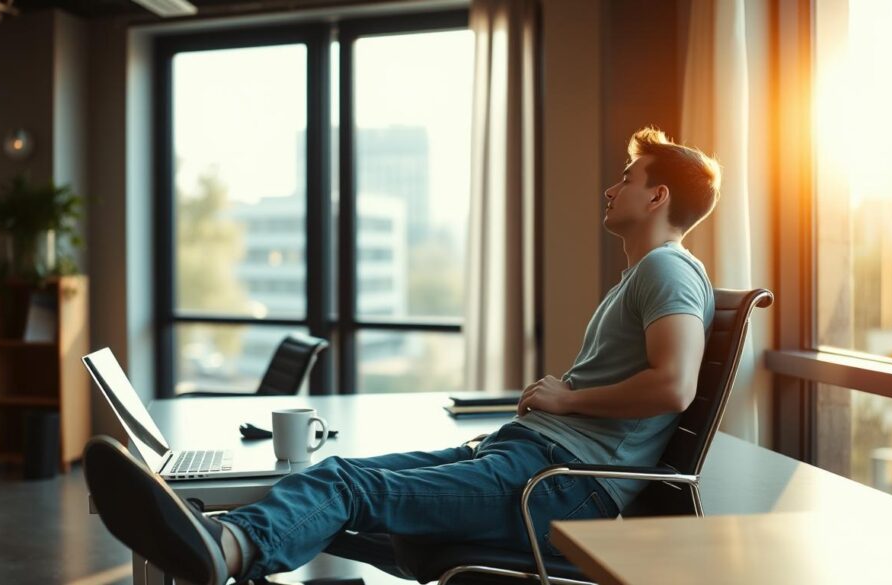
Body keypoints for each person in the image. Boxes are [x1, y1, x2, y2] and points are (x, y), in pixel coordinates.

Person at [84, 126, 721, 585]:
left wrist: (568, 398)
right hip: (531, 461)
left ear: (658, 197)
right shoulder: (644, 275)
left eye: (628, 179)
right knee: (328, 487)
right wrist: (559, 402)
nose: (612, 188)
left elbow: (674, 386)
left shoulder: (667, 268)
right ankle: (218, 541)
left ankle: (220, 550)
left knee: (341, 485)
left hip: (559, 487)